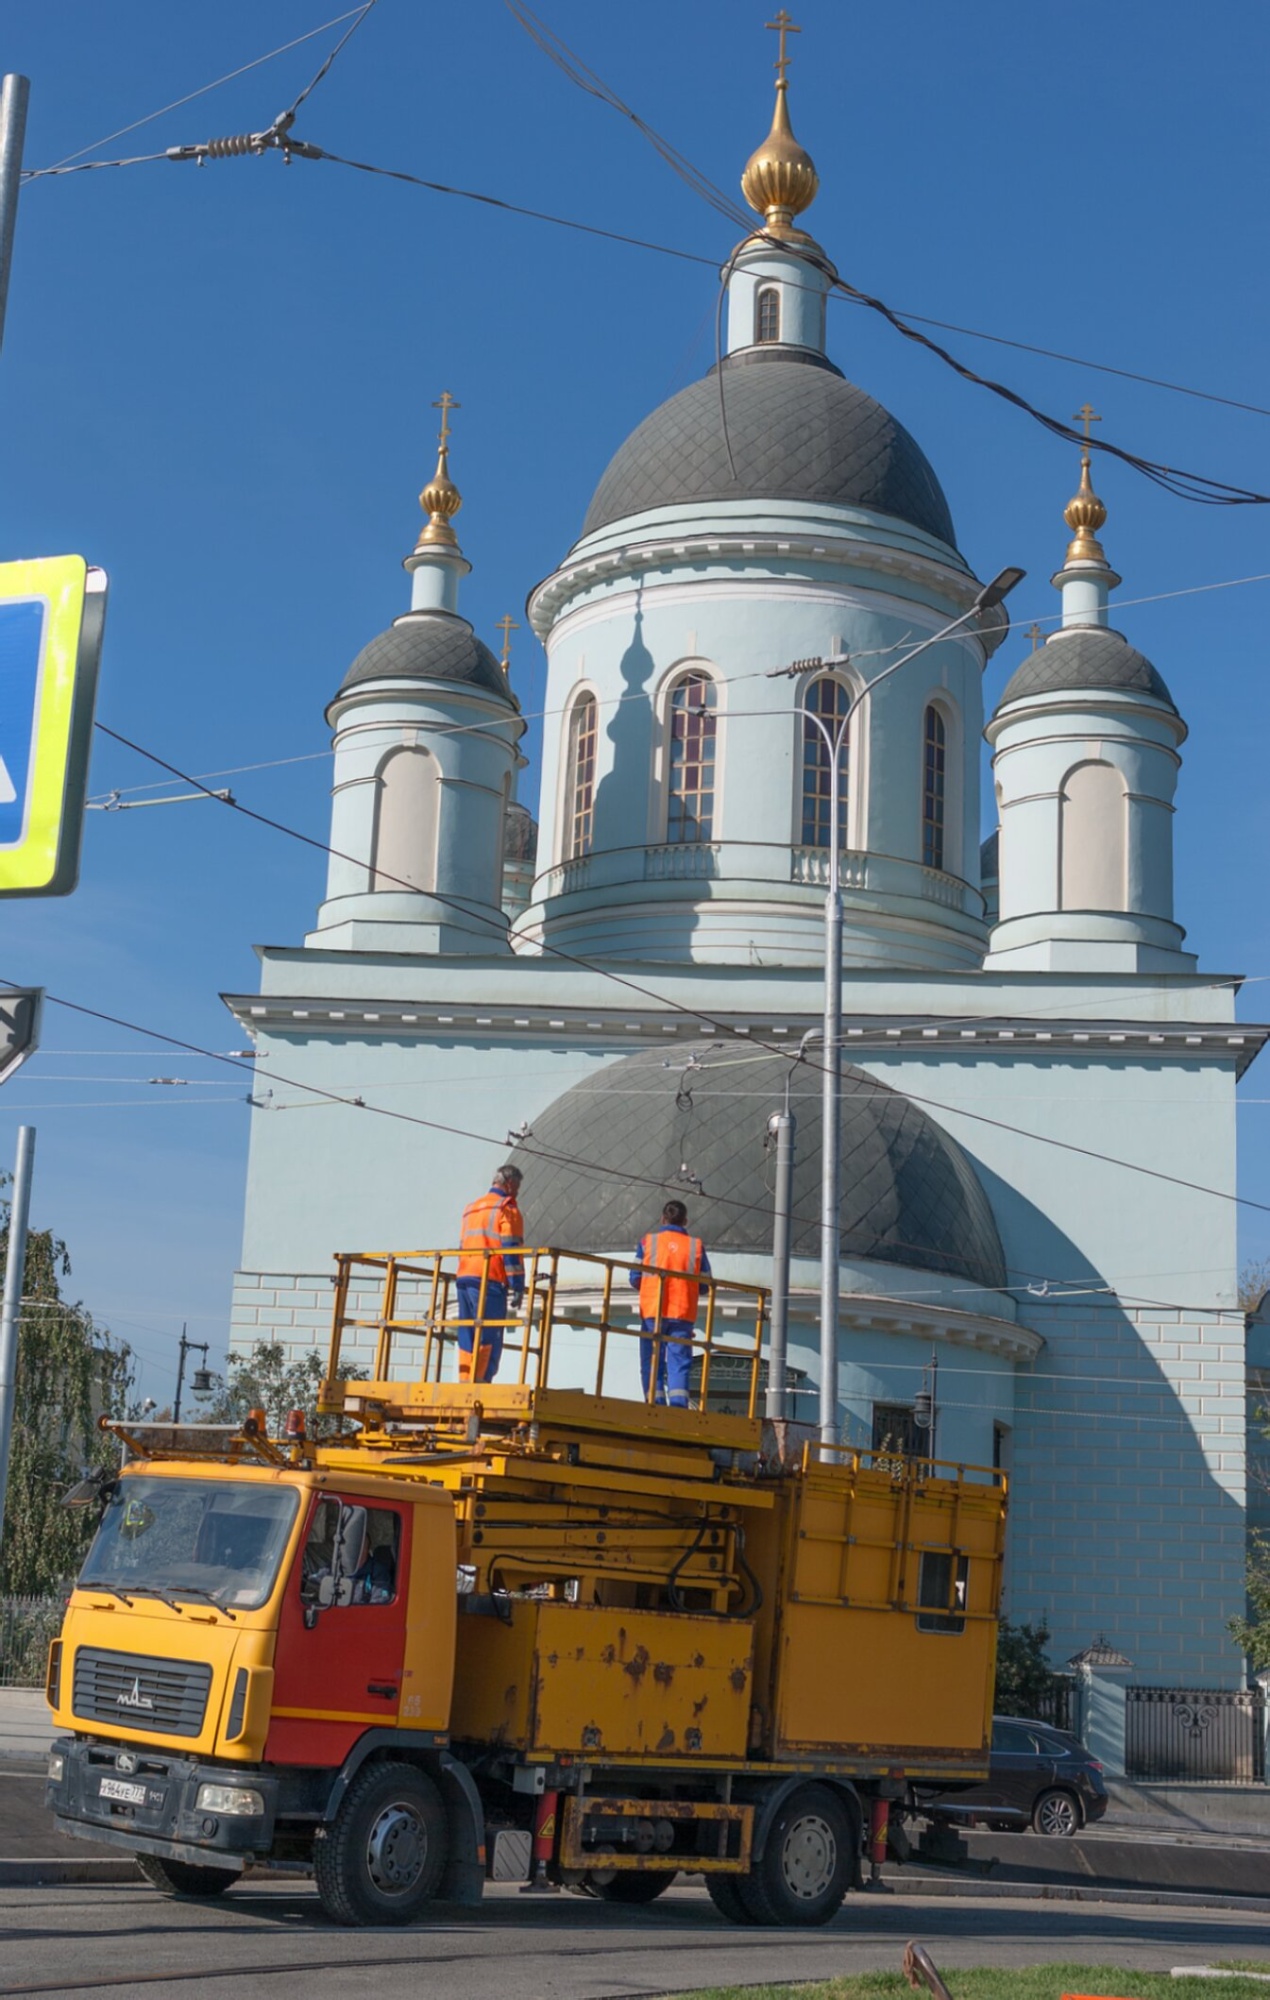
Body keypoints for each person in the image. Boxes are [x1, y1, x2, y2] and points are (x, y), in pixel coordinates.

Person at [629, 1200, 710, 1409]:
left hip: (652, 1312)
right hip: (681, 1314)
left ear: (662, 1219)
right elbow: (705, 1284)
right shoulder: (696, 1246)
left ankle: (654, 1404)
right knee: (679, 1363)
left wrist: (651, 1288)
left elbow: (634, 1277)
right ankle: (677, 1407)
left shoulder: (648, 1242)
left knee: (652, 1360)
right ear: (685, 1221)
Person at [456, 1164, 525, 1383]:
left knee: (467, 1332)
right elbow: (511, 1250)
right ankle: (481, 1382)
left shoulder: (472, 1208)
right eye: (518, 1186)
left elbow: (462, 1245)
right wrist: (517, 1285)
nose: (518, 1191)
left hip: (464, 1277)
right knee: (490, 1334)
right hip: (489, 1280)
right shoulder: (506, 1208)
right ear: (510, 1182)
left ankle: (465, 1381)